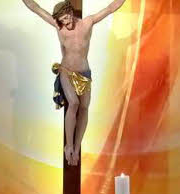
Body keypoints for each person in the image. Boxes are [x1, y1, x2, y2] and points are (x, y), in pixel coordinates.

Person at [21, 0, 127, 165]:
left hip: (84, 72)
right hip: (66, 71)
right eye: (62, 20)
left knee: (84, 108)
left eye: (67, 18)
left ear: (71, 12)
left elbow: (110, 8)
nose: (66, 22)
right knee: (74, 103)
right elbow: (36, 8)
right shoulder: (59, 27)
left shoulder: (87, 22)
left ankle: (77, 147)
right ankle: (68, 145)